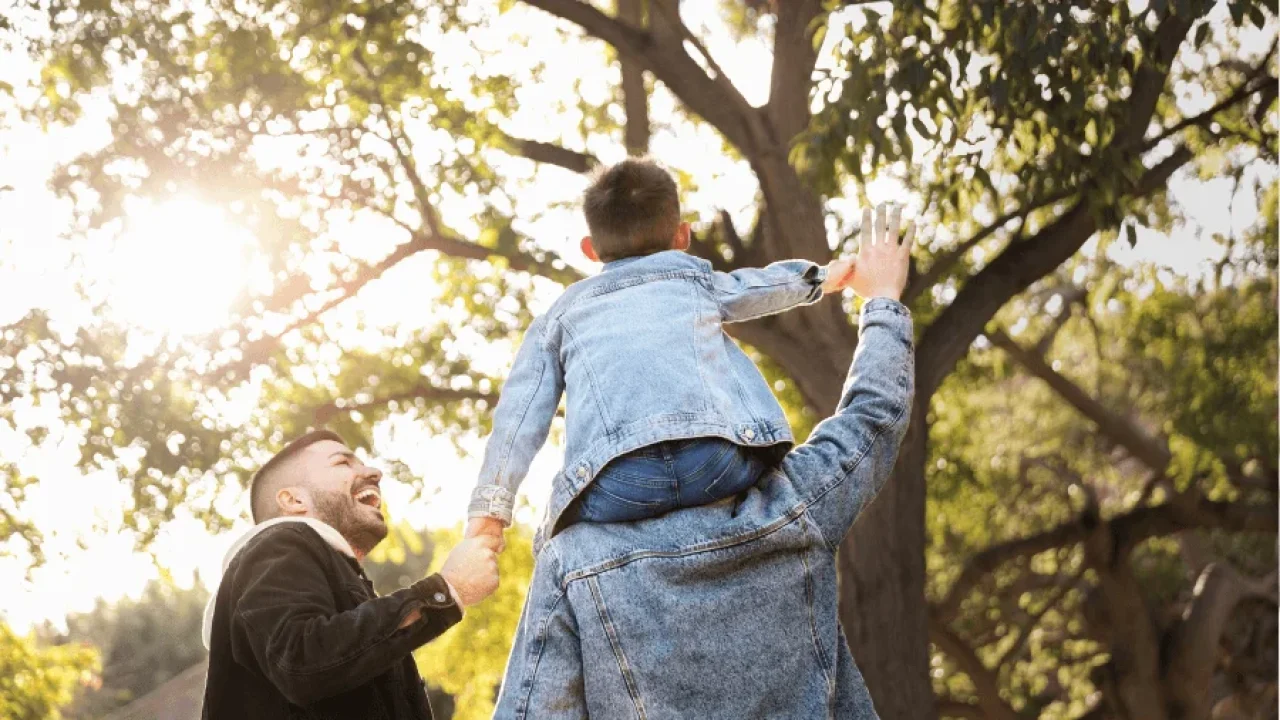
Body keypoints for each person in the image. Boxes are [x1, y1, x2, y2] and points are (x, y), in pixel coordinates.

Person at [492, 203, 918, 718]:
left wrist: (486, 518)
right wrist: (884, 301)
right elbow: (873, 416)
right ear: (683, 237)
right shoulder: (795, 505)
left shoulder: (573, 563)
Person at [466, 158, 894, 550]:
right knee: (768, 476)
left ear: (590, 249)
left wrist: (489, 515)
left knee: (559, 544)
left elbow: (519, 416)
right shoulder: (693, 279)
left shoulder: (559, 315)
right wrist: (822, 277)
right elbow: (758, 287)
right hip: (715, 463)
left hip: (618, 484)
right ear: (683, 236)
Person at [200, 430, 500, 720]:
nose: (374, 472)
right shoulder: (277, 543)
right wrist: (447, 590)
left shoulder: (342, 587)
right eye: (342, 462)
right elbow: (302, 661)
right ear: (293, 501)